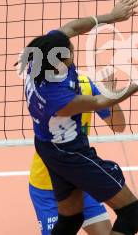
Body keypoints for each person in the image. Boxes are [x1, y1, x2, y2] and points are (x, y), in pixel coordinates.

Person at [18, 0, 138, 235]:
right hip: (69, 153)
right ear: (60, 62)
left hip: (48, 147)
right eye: (70, 49)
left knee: (71, 219)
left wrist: (110, 17)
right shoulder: (58, 98)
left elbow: (70, 28)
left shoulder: (40, 60)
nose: (72, 46)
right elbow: (102, 100)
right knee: (132, 212)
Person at [28, 73, 125, 235]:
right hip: (47, 186)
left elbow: (118, 126)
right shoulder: (44, 92)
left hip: (80, 179)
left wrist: (111, 97)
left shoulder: (85, 85)